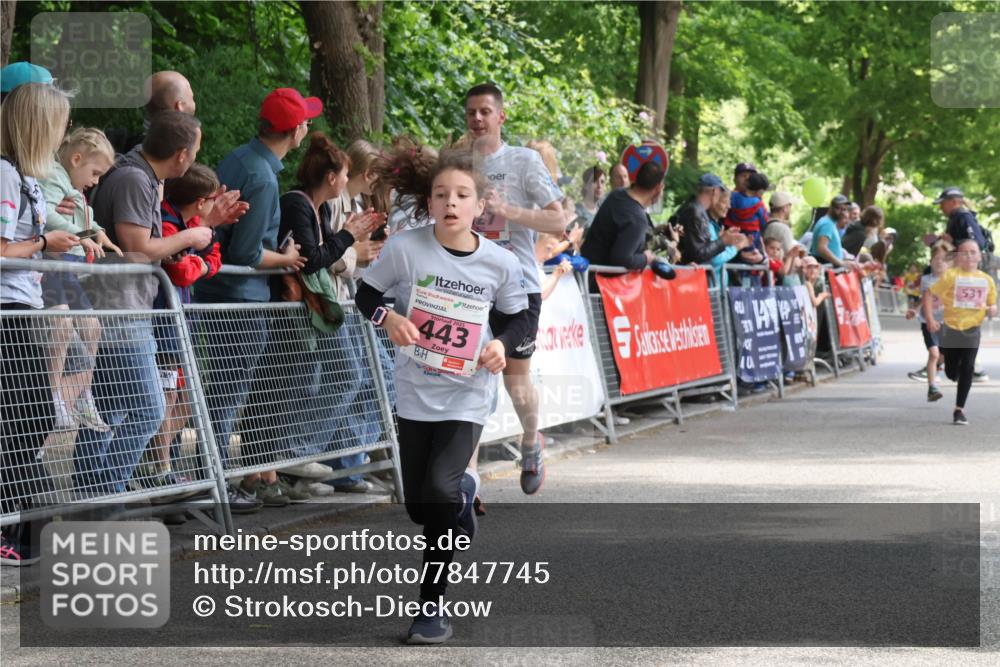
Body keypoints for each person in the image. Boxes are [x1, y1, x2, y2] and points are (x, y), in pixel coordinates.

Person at [356, 149, 530, 644]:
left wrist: (500, 344)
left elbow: (520, 319)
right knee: (419, 506)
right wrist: (387, 318)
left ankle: (429, 609)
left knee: (437, 487)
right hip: (415, 390)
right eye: (441, 195)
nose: (450, 203)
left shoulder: (499, 262)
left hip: (467, 394)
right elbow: (366, 296)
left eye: (461, 195)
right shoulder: (406, 249)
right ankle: (463, 500)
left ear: (479, 207)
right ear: (428, 203)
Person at [76, 112, 234, 499]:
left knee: (111, 411)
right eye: (194, 151)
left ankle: (93, 496)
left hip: (124, 309)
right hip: (121, 311)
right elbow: (137, 250)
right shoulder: (133, 178)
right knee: (147, 409)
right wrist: (193, 236)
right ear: (181, 154)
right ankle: (106, 493)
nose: (194, 158)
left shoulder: (145, 177)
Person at [193, 88, 314, 511]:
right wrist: (288, 258)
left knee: (220, 391)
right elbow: (245, 253)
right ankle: (218, 483)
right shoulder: (263, 176)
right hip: (240, 299)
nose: (307, 128)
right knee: (229, 392)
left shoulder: (240, 157)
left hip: (215, 292)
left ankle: (209, 477)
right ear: (295, 130)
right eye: (305, 122)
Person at [465, 82, 564, 495]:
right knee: (464, 382)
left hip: (517, 287)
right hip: (467, 286)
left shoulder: (523, 162)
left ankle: (530, 440)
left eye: (485, 112)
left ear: (501, 117)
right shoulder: (456, 163)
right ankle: (464, 483)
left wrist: (508, 211)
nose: (477, 119)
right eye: (471, 112)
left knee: (515, 383)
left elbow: (558, 222)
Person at [272, 133, 380, 496]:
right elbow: (314, 259)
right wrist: (349, 237)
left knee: (325, 380)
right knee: (341, 376)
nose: (348, 183)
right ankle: (296, 455)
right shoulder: (298, 204)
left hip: (321, 308)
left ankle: (301, 464)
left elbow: (325, 256)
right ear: (332, 178)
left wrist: (345, 241)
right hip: (305, 309)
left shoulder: (316, 208)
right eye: (346, 176)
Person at [1, 82, 79, 564]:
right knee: (27, 416)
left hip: (22, 307)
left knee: (30, 416)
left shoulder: (24, 178)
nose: (63, 135)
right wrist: (43, 245)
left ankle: (17, 520)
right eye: (59, 125)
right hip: (6, 311)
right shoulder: (5, 176)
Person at [141, 163, 226, 490]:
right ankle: (159, 467)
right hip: (162, 319)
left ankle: (158, 462)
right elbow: (179, 272)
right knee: (168, 395)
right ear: (202, 201)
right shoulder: (168, 221)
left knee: (186, 398)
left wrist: (201, 261)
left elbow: (211, 257)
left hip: (182, 319)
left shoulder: (192, 223)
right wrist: (199, 260)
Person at [38, 128, 123, 433]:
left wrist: (99, 235)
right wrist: (82, 236)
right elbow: (46, 216)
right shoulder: (52, 177)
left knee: (92, 326)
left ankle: (83, 394)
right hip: (53, 264)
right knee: (61, 327)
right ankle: (53, 396)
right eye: (95, 172)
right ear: (76, 159)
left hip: (68, 267)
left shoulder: (73, 187)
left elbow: (85, 219)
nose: (96, 181)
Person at [924, 239, 997, 425]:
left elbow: (992, 304)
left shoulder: (986, 280)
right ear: (957, 257)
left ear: (980, 256)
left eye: (973, 252)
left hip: (972, 329)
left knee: (968, 367)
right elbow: (929, 294)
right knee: (951, 372)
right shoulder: (951, 275)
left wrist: (991, 310)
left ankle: (959, 410)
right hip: (951, 328)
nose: (969, 256)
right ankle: (949, 367)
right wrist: (931, 319)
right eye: (964, 252)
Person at [581, 161, 670, 274]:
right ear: (658, 188)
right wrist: (646, 258)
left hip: (585, 273)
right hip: (600, 284)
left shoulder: (617, 194)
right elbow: (622, 259)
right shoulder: (637, 218)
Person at [106, 71, 197, 154]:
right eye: (192, 98)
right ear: (180, 106)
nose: (194, 103)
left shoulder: (119, 147)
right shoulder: (174, 154)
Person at [906, 242, 952, 402]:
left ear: (949, 262)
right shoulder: (927, 279)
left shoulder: (954, 279)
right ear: (931, 262)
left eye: (943, 259)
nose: (939, 262)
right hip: (929, 322)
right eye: (935, 259)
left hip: (948, 323)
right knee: (934, 353)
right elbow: (926, 299)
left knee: (945, 354)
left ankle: (936, 368)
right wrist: (917, 311)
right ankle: (932, 388)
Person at [677, 173, 748, 273]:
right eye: (720, 192)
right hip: (692, 276)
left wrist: (720, 239)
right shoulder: (695, 212)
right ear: (714, 191)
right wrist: (722, 241)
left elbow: (700, 248)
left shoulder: (695, 209)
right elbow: (699, 254)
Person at [934, 187, 991, 270]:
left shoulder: (964, 217)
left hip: (972, 271)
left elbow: (978, 244)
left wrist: (952, 241)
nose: (941, 207)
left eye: (942, 204)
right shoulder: (954, 219)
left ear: (954, 202)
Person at [809, 197, 852, 268]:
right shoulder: (827, 224)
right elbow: (821, 248)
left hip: (829, 266)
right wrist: (841, 263)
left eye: (844, 209)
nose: (842, 212)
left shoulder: (829, 222)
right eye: (838, 208)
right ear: (831, 207)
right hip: (826, 267)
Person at [575, 165, 606, 230]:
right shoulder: (577, 211)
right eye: (594, 181)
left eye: (602, 182)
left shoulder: (603, 212)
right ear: (585, 185)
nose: (599, 186)